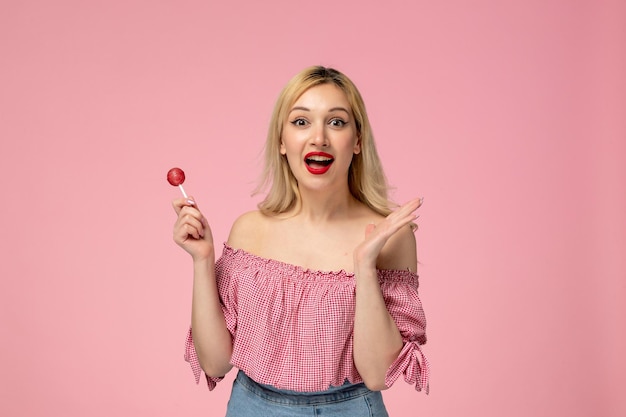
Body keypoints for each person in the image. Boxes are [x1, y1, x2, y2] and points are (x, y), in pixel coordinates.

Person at [172, 66, 429, 416]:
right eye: (301, 122)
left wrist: (365, 266)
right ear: (281, 141)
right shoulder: (249, 230)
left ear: (357, 141)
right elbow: (215, 364)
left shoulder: (389, 235)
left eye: (336, 122)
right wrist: (202, 260)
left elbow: (377, 375)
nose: (318, 137)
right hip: (252, 407)